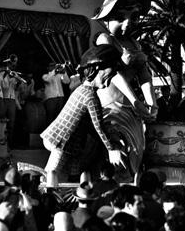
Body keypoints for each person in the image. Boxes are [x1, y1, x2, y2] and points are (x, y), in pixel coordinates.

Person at [93, 0, 157, 179]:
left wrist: (152, 103)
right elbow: (113, 74)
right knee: (116, 149)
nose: (127, 23)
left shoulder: (134, 44)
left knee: (137, 150)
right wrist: (136, 101)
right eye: (121, 18)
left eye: (133, 17)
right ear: (107, 19)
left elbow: (145, 75)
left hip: (131, 108)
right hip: (110, 105)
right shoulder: (105, 39)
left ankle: (131, 189)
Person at [40, 44, 125, 188]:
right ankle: (48, 195)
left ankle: (77, 197)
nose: (108, 81)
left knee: (75, 172)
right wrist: (111, 149)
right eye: (107, 76)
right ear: (96, 70)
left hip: (70, 143)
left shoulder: (83, 90)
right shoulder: (90, 96)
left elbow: (91, 125)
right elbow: (98, 126)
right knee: (51, 173)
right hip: (62, 141)